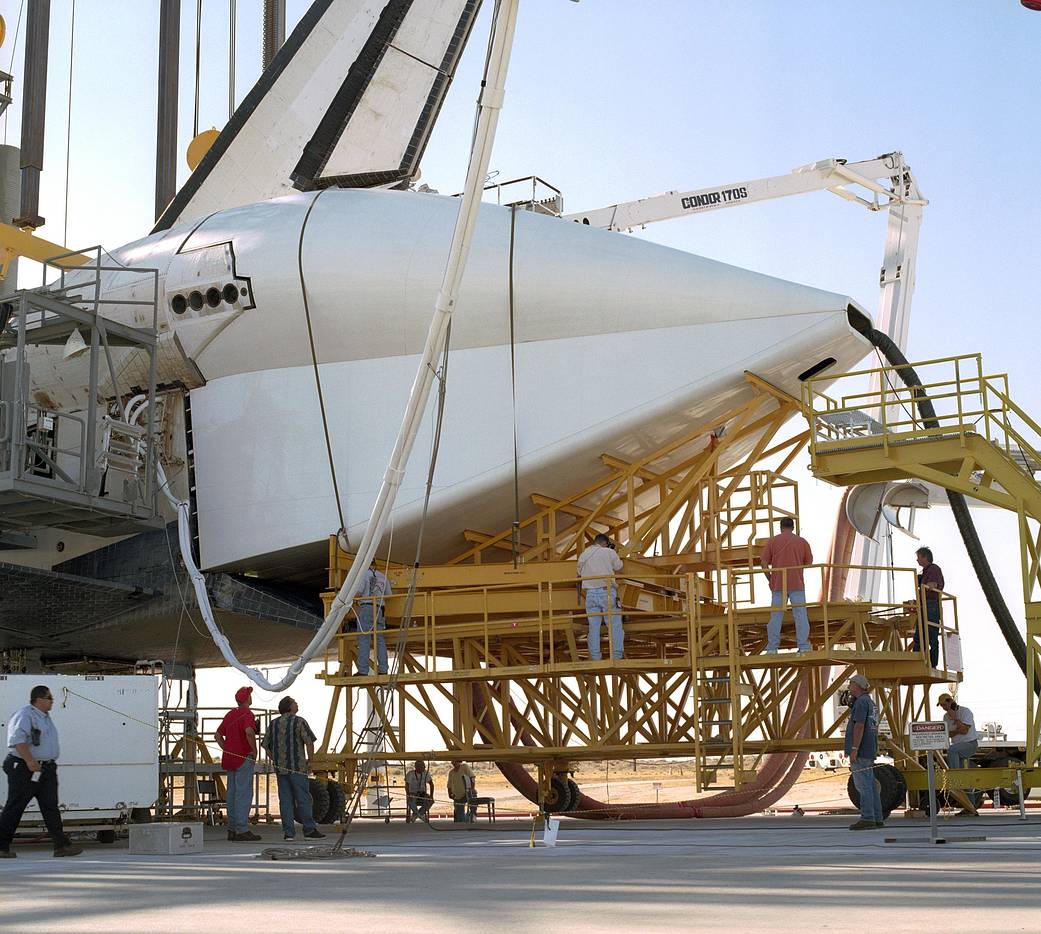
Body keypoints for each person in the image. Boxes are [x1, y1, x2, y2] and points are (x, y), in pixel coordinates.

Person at [0, 685, 83, 858]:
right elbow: (17, 741)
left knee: (50, 806)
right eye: (49, 697)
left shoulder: (44, 717)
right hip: (25, 767)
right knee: (15, 806)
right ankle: (1, 846)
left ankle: (61, 846)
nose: (52, 700)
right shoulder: (25, 715)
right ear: (38, 699)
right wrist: (30, 760)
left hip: (45, 768)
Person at [262, 696, 325, 841]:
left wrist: (276, 760)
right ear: (289, 707)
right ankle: (309, 829)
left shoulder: (273, 723)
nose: (297, 704)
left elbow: (266, 745)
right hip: (297, 768)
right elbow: (309, 742)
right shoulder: (299, 721)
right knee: (303, 799)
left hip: (281, 769)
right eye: (295, 703)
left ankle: (288, 833)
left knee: (285, 801)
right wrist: (310, 761)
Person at [760, 517, 813, 654]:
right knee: (800, 615)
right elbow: (809, 562)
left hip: (778, 585)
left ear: (780, 527)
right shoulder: (802, 542)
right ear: (793, 527)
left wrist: (771, 579)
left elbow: (764, 564)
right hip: (797, 584)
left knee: (775, 617)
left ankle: (772, 647)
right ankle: (803, 646)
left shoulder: (772, 541)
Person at [215, 686, 261, 842]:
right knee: (243, 794)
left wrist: (227, 748)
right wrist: (254, 750)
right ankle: (242, 829)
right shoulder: (247, 714)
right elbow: (249, 731)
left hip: (230, 759)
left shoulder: (230, 714)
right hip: (243, 758)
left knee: (232, 794)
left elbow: (217, 735)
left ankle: (232, 829)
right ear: (247, 699)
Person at [577, 533, 625, 660]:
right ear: (605, 543)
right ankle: (616, 655)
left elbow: (579, 571)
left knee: (593, 627)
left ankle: (595, 656)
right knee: (614, 624)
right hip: (607, 591)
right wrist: (613, 552)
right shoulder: (608, 552)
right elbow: (619, 566)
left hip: (590, 594)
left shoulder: (584, 554)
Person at [844, 674, 883, 830]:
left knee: (863, 786)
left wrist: (854, 749)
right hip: (869, 748)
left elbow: (859, 726)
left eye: (851, 684)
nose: (848, 687)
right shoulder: (870, 702)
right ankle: (877, 817)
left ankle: (867, 817)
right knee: (871, 785)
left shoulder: (861, 703)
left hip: (861, 750)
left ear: (857, 685)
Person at [355, 559, 392, 676]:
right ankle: (383, 669)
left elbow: (359, 593)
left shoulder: (363, 575)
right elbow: (389, 595)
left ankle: (363, 670)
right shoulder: (383, 576)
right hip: (379, 609)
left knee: (364, 639)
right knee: (380, 639)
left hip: (366, 607)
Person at [913, 546, 944, 667]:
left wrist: (927, 585)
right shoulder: (926, 572)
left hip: (931, 606)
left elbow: (933, 585)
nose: (917, 560)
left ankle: (932, 663)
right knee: (920, 635)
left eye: (918, 557)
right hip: (925, 605)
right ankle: (918, 662)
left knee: (930, 636)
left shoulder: (934, 569)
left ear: (925, 557)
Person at [939, 693, 978, 768]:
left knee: (951, 750)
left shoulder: (965, 711)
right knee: (962, 766)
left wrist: (955, 718)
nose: (943, 708)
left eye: (944, 705)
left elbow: (964, 731)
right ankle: (961, 777)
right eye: (941, 706)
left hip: (970, 743)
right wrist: (958, 730)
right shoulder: (946, 716)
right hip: (957, 744)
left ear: (950, 702)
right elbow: (949, 734)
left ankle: (954, 774)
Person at [405, 759, 434, 823]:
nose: (424, 768)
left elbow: (431, 784)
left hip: (422, 793)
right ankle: (420, 815)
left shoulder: (426, 773)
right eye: (423, 766)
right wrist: (408, 794)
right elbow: (407, 785)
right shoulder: (410, 773)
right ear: (417, 767)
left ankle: (417, 815)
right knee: (410, 801)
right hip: (413, 793)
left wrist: (431, 795)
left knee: (431, 801)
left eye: (424, 766)